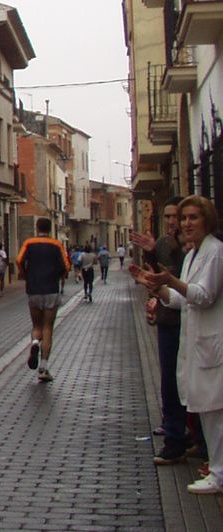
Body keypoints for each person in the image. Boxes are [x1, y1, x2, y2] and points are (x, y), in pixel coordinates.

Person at [132, 195, 223, 494]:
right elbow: (182, 300)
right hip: (196, 340)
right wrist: (158, 287)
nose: (186, 223)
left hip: (212, 340)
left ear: (207, 220)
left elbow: (204, 295)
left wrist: (171, 280)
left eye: (193, 217)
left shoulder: (215, 252)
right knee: (207, 408)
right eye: (184, 219)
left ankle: (219, 472)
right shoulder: (194, 255)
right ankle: (217, 471)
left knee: (215, 409)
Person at [132, 197, 189, 462]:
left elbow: (179, 281)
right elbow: (155, 276)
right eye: (167, 217)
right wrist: (152, 253)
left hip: (185, 321)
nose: (172, 222)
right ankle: (175, 430)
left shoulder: (190, 249)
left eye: (176, 216)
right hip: (169, 319)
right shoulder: (165, 244)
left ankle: (181, 436)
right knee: (169, 380)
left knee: (182, 382)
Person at [17, 217, 70, 383]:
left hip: (33, 290)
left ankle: (34, 342)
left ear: (36, 227)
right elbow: (67, 266)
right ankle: (43, 368)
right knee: (48, 328)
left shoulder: (29, 243)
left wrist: (26, 275)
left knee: (36, 325)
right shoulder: (57, 244)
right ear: (50, 229)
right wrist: (59, 276)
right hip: (51, 290)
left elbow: (19, 260)